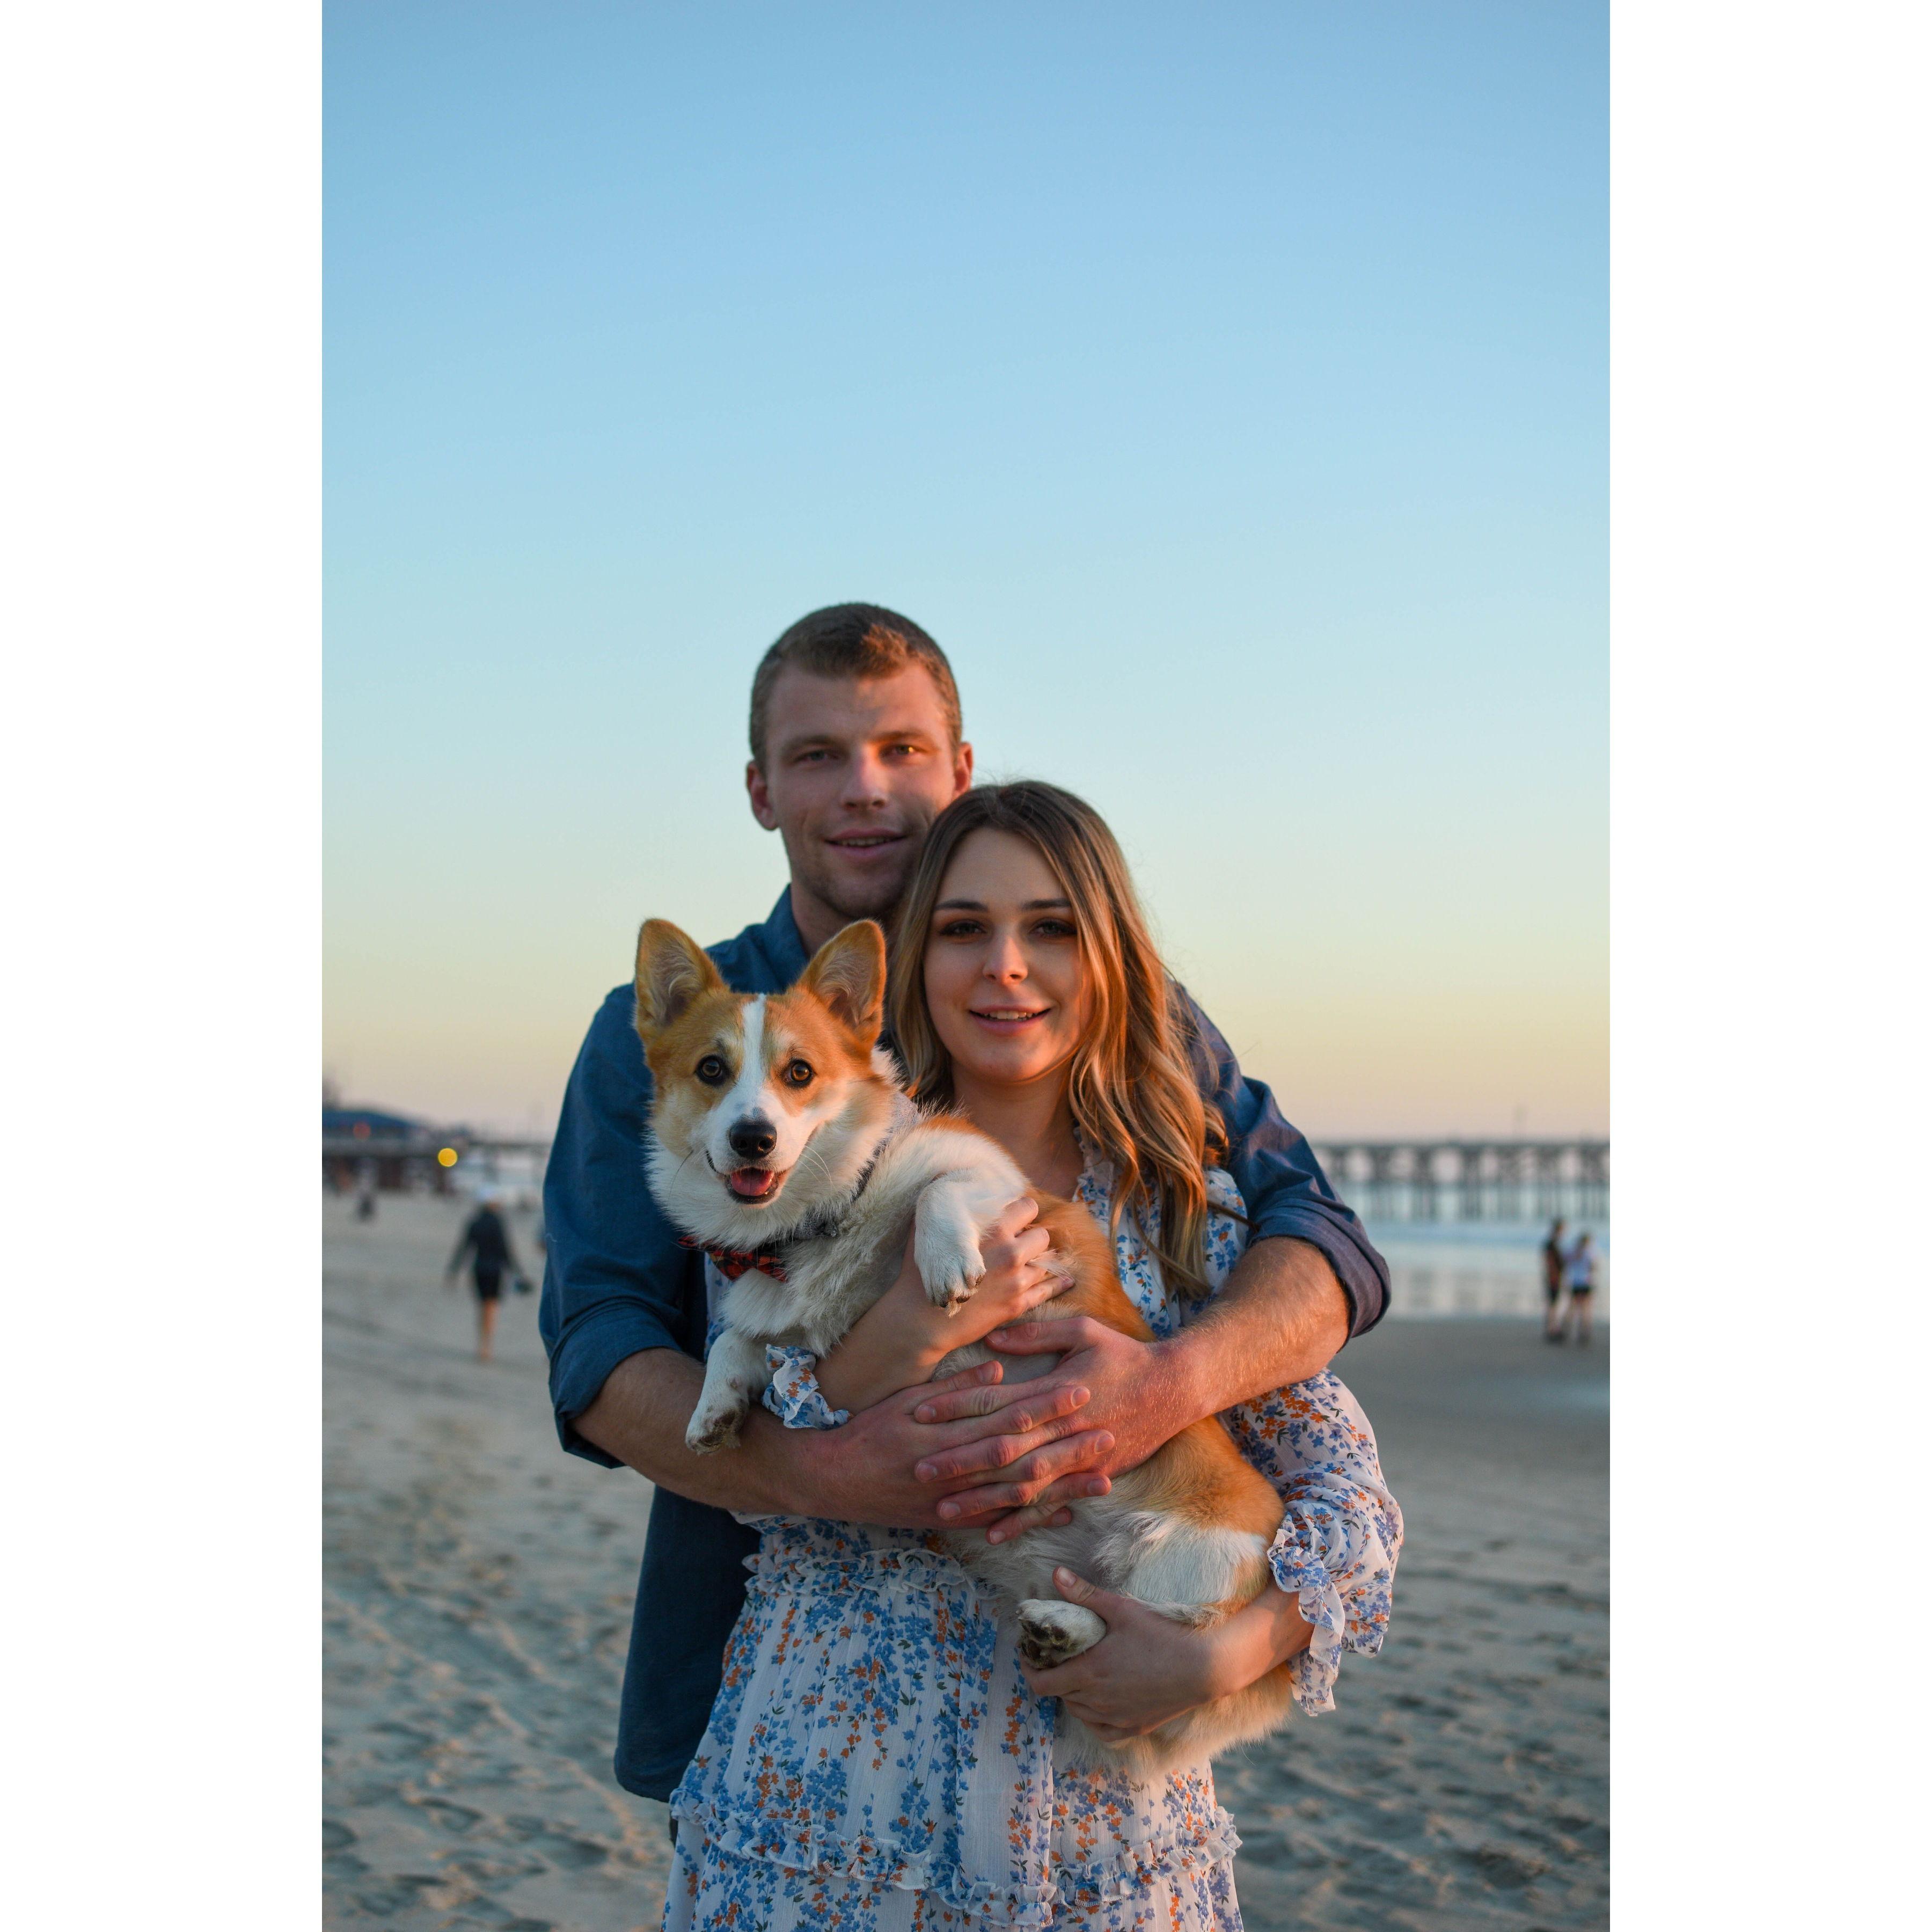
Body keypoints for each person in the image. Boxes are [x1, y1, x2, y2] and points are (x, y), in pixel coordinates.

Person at [538, 603, 1391, 1814]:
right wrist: (835, 1471)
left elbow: (1319, 1239)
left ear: (961, 768)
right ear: (759, 789)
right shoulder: (690, 1040)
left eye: (901, 750)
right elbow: (598, 1349)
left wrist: (1163, 1389)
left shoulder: (1122, 1016)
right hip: (785, 1689)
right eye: (818, 755)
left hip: (1088, 1725)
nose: (867, 791)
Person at [662, 781, 1402, 1929]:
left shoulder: (1187, 1217)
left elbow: (1350, 1505)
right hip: (820, 1813)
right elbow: (763, 1464)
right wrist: (904, 1329)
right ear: (910, 962)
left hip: (1100, 1858)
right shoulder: (800, 1187)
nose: (1006, 964)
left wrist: (1221, 1663)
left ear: (1113, 957)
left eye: (1051, 927)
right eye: (962, 929)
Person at [448, 1189, 522, 1363]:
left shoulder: (474, 1222)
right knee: (492, 1306)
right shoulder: (498, 1222)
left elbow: (464, 1248)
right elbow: (506, 1250)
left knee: (482, 1306)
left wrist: (453, 1271)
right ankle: (488, 1345)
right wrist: (517, 1272)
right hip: (495, 1270)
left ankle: (481, 1344)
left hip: (479, 1269)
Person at [1564, 1229, 1598, 1345]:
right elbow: (1593, 1267)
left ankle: (1566, 1330)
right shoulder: (1589, 1252)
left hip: (1575, 1282)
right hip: (1586, 1282)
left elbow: (1566, 1262)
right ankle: (1584, 1333)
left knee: (1572, 1307)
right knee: (1586, 1309)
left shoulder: (1573, 1251)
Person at [1542, 1214, 1568, 1341]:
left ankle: (1552, 1328)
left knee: (1554, 1304)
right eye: (1563, 1230)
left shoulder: (1553, 1243)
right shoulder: (1552, 1244)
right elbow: (1550, 1262)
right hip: (1554, 1278)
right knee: (1553, 1304)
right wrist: (1555, 1277)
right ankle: (1552, 1329)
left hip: (1554, 1277)